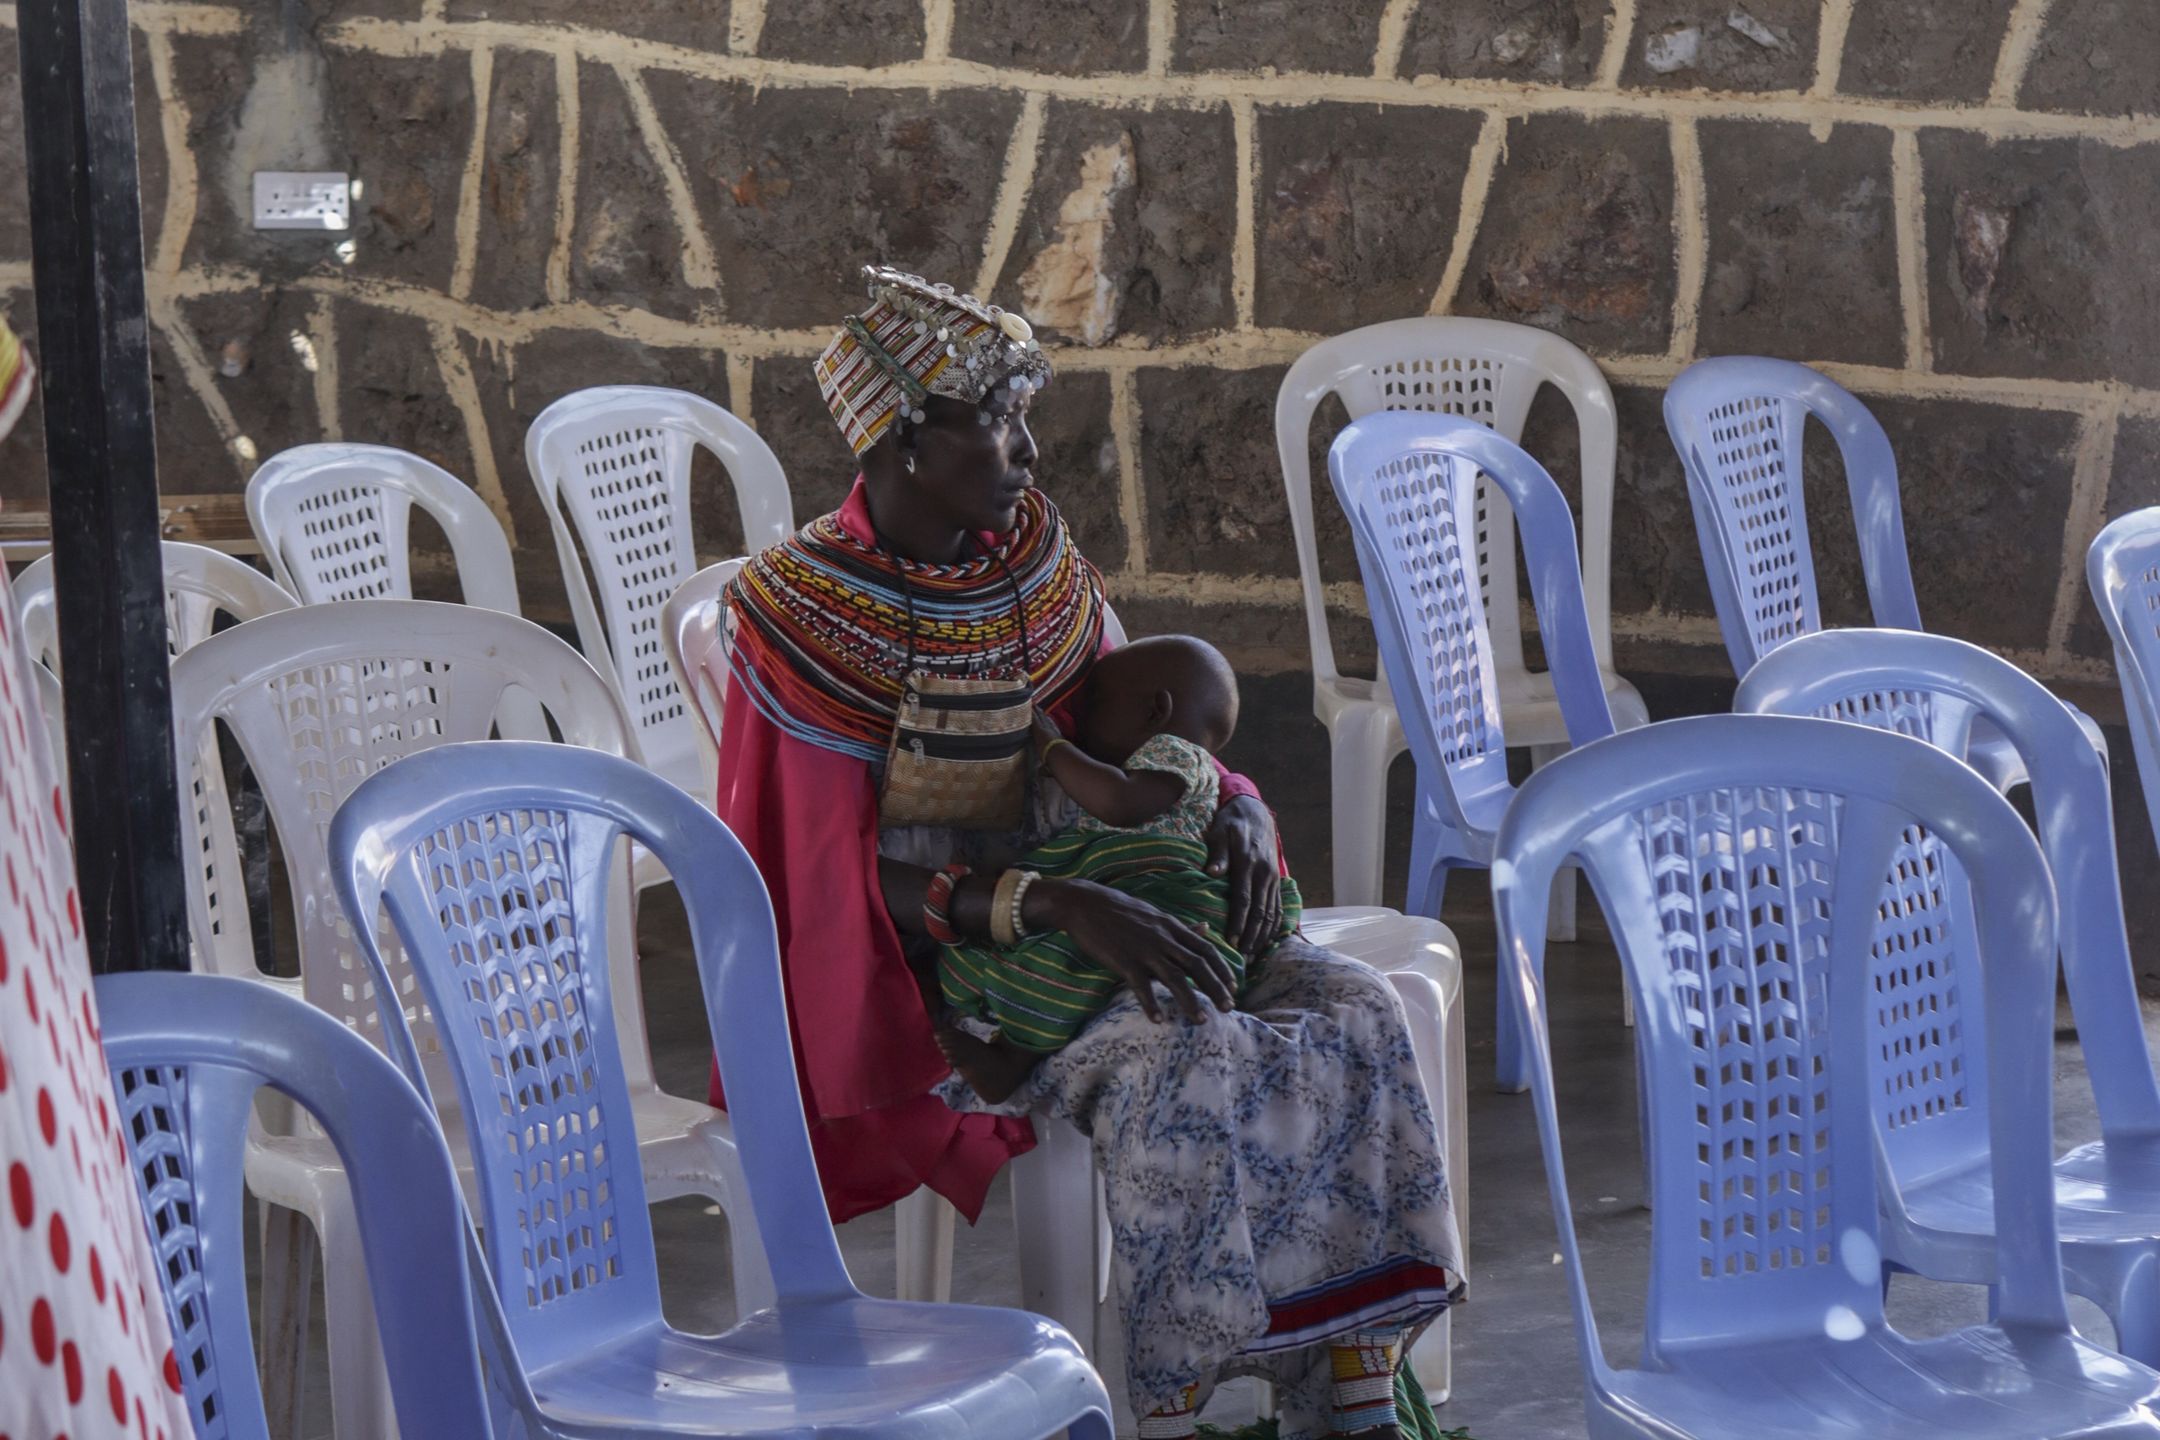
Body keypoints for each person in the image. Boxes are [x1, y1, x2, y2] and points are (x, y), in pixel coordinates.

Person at [719, 266, 1460, 1438]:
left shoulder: (1034, 565)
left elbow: (1157, 727)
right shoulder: (802, 613)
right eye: (1000, 424)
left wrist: (1239, 806)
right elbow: (814, 881)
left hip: (1119, 899)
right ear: (909, 442)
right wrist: (1052, 906)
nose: (1027, 454)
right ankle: (1192, 1402)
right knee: (1185, 1050)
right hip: (951, 975)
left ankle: (1348, 1388)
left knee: (1357, 1010)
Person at [933, 634, 1305, 1104]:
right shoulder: (1165, 756)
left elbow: (1118, 802)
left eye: (1095, 704)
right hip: (1121, 897)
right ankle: (1011, 1053)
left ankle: (1014, 1054)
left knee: (1068, 967)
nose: (1081, 720)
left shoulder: (1174, 753)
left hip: (1159, 892)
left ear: (1156, 711)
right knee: (1065, 967)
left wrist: (1051, 745)